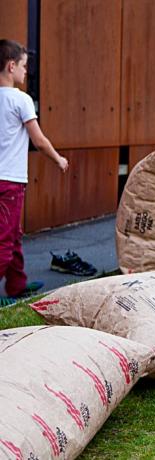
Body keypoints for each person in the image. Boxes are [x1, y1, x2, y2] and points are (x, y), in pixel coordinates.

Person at [0, 39, 69, 306]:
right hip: (11, 182)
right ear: (11, 66)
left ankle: (17, 285)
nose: (26, 72)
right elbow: (38, 140)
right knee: (5, 240)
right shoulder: (21, 100)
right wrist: (58, 159)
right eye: (24, 66)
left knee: (12, 233)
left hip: (4, 180)